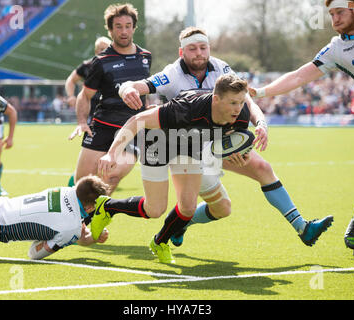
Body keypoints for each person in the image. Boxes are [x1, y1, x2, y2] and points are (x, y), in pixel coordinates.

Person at [117, 27, 333, 250]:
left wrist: (260, 122)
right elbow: (138, 86)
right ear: (182, 52)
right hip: (183, 148)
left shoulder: (221, 68)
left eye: (203, 47)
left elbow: (245, 100)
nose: (199, 53)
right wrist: (126, 90)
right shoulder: (172, 73)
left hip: (215, 141)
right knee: (178, 207)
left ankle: (302, 227)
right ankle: (172, 224)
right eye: (192, 49)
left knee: (256, 174)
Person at [96, 74, 334, 264]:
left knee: (187, 208)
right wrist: (112, 153)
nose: (237, 108)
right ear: (216, 99)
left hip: (188, 148)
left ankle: (159, 242)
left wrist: (239, 151)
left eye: (241, 103)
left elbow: (231, 141)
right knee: (154, 208)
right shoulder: (186, 107)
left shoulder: (239, 116)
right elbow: (135, 122)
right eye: (232, 102)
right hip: (158, 141)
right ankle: (106, 207)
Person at [249, 0, 354, 256]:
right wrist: (261, 92)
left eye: (339, 12)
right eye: (331, 14)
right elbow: (298, 76)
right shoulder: (336, 49)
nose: (334, 19)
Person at [68, 3, 151, 194]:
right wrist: (82, 122)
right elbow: (85, 95)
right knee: (83, 183)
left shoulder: (146, 57)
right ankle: (79, 222)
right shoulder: (101, 61)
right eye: (118, 26)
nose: (124, 31)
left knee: (111, 176)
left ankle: (97, 222)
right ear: (110, 29)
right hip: (103, 126)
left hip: (131, 129)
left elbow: (146, 89)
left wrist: (148, 110)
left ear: (134, 27)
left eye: (128, 26)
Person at [0, 175, 110, 260]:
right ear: (89, 207)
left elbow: (71, 223)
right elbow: (34, 254)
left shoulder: (65, 190)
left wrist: (88, 236)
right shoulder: (72, 228)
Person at [65, 36, 112, 187]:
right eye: (100, 48)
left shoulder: (116, 64)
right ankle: (78, 180)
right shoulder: (87, 66)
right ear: (95, 50)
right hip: (92, 114)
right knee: (95, 149)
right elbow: (71, 80)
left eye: (106, 48)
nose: (103, 51)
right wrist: (71, 96)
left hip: (111, 113)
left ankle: (86, 179)